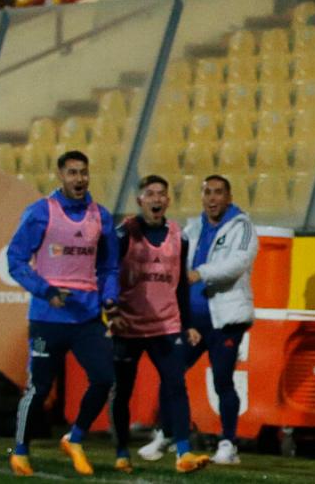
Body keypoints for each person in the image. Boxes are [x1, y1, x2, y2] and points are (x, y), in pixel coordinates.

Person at [6, 150, 119, 477]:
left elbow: (109, 266)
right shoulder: (41, 213)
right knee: (39, 388)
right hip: (47, 318)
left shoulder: (101, 216)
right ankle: (21, 450)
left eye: (83, 172)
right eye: (72, 173)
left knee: (104, 379)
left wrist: (110, 298)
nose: (79, 179)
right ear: (60, 175)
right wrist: (48, 291)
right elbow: (16, 260)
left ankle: (76, 437)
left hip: (86, 319)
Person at [139, 174, 258, 464]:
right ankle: (166, 434)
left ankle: (228, 444)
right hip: (192, 321)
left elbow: (237, 264)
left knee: (222, 381)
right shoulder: (192, 229)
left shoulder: (242, 227)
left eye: (218, 192)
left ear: (228, 197)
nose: (212, 198)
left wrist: (199, 273)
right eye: (207, 193)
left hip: (226, 319)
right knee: (171, 373)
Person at [108, 175, 210, 474]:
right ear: (140, 200)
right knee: (123, 390)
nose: (156, 199)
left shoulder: (180, 237)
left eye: (161, 194)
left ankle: (183, 452)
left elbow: (179, 285)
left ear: (168, 200)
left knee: (176, 385)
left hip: (165, 325)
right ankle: (121, 452)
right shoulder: (124, 234)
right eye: (150, 194)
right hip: (128, 325)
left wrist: (187, 323)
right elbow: (109, 274)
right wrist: (111, 311)